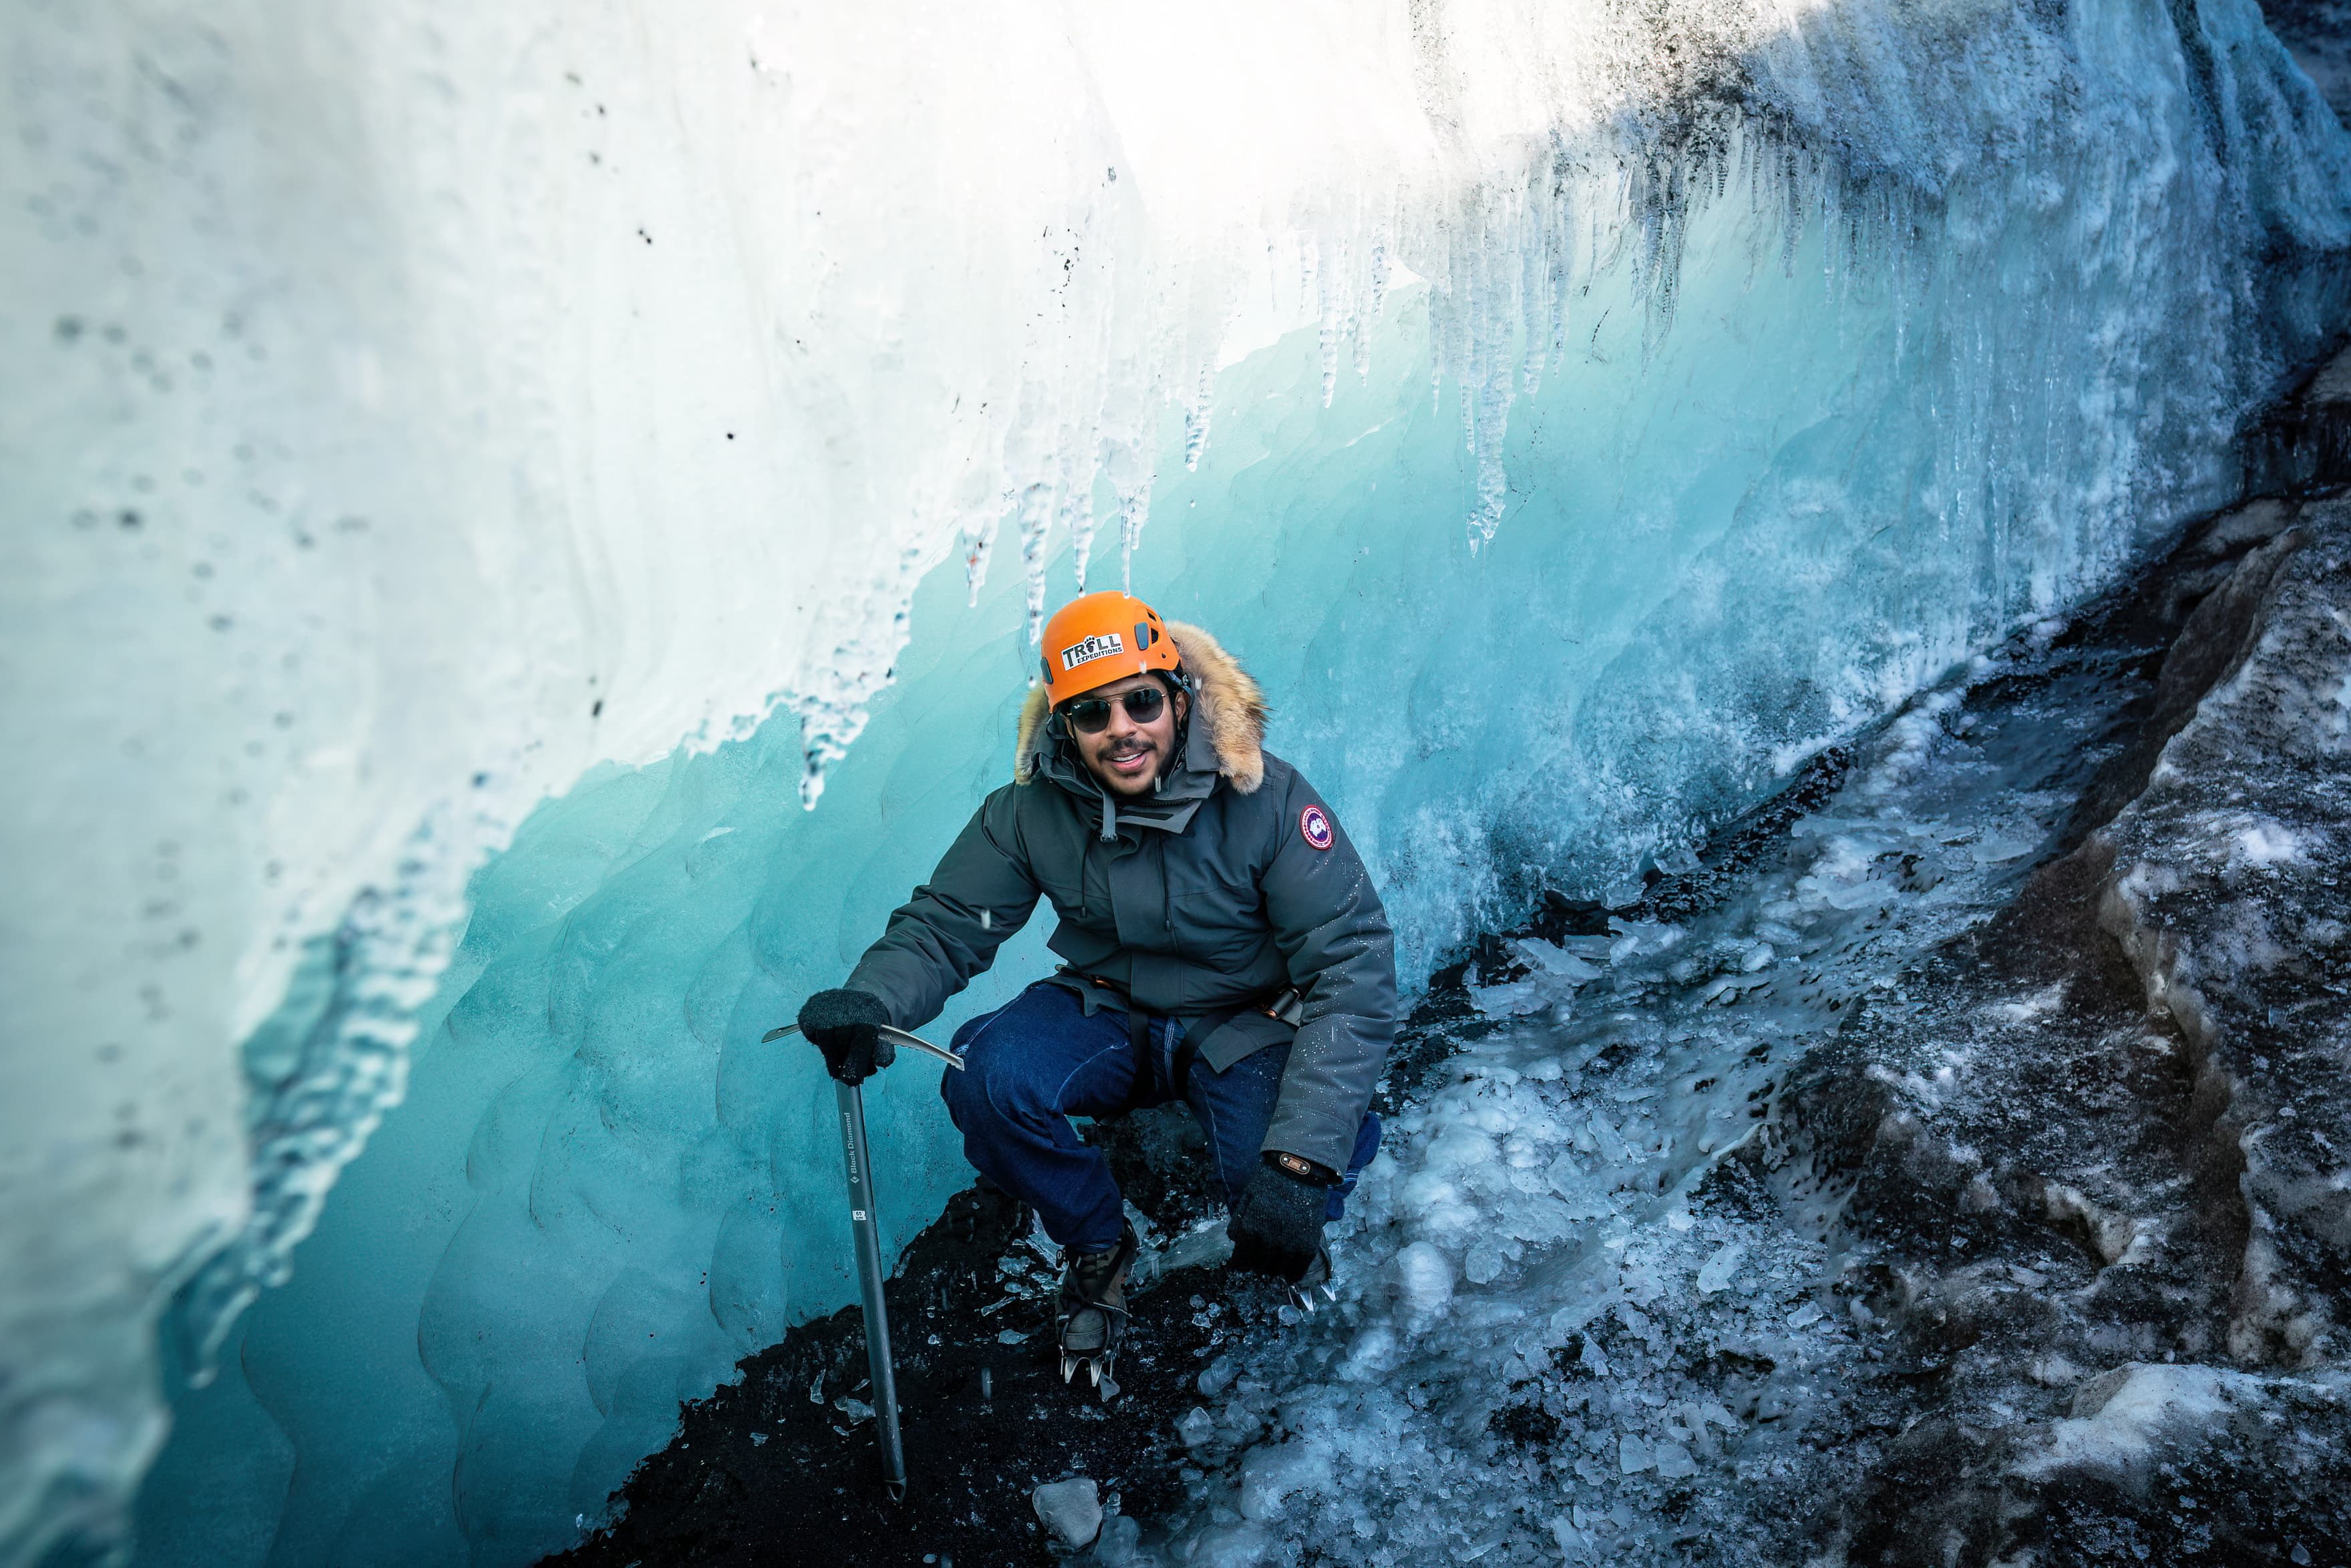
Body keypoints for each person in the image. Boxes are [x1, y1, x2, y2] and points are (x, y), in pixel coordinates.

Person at [795, 589, 1396, 1388]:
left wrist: (1299, 1163)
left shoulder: (1269, 799)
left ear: (1177, 698)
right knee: (987, 1074)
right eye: (1090, 713)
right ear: (1063, 725)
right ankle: (1097, 1244)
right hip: (1108, 1007)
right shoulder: (1029, 811)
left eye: (1140, 701)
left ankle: (1291, 1208)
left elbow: (1351, 964)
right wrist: (872, 1000)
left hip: (1243, 1020)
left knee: (1284, 1173)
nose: (1121, 728)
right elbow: (948, 925)